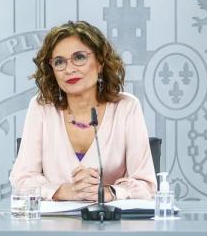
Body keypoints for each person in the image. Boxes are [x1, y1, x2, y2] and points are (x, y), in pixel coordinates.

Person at [10, 21, 157, 201]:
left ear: (100, 62)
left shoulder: (126, 107)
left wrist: (108, 192)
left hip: (112, 224)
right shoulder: (41, 108)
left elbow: (147, 186)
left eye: (79, 57)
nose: (69, 69)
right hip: (52, 226)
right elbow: (22, 179)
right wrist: (63, 191)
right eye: (59, 62)